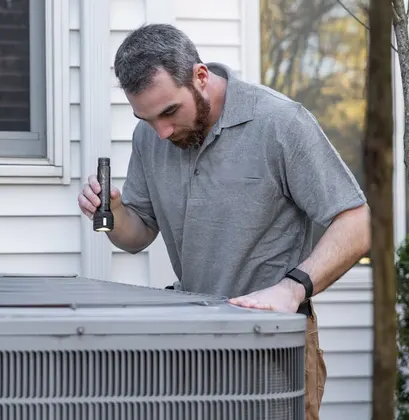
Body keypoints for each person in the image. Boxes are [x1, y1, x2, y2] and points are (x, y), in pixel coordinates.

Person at [77, 23, 371, 420]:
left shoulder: (280, 123)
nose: (161, 133)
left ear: (200, 76)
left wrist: (291, 289)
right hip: (192, 343)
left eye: (169, 113)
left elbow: (357, 221)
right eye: (146, 118)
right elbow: (137, 234)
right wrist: (112, 214)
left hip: (271, 344)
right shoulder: (149, 137)